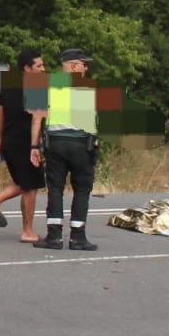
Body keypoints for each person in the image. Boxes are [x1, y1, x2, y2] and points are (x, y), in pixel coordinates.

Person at [30, 47, 99, 251]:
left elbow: (37, 118)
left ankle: (54, 236)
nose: (86, 68)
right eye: (83, 64)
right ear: (74, 65)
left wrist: (34, 146)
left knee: (56, 188)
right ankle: (78, 237)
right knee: (82, 190)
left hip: (56, 144)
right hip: (82, 145)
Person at [0, 48, 46, 242]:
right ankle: (25, 229)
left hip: (9, 142)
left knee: (23, 183)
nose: (43, 69)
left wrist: (1, 140)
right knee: (30, 186)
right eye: (39, 65)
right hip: (26, 143)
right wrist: (35, 146)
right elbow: (36, 119)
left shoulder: (8, 87)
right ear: (27, 68)